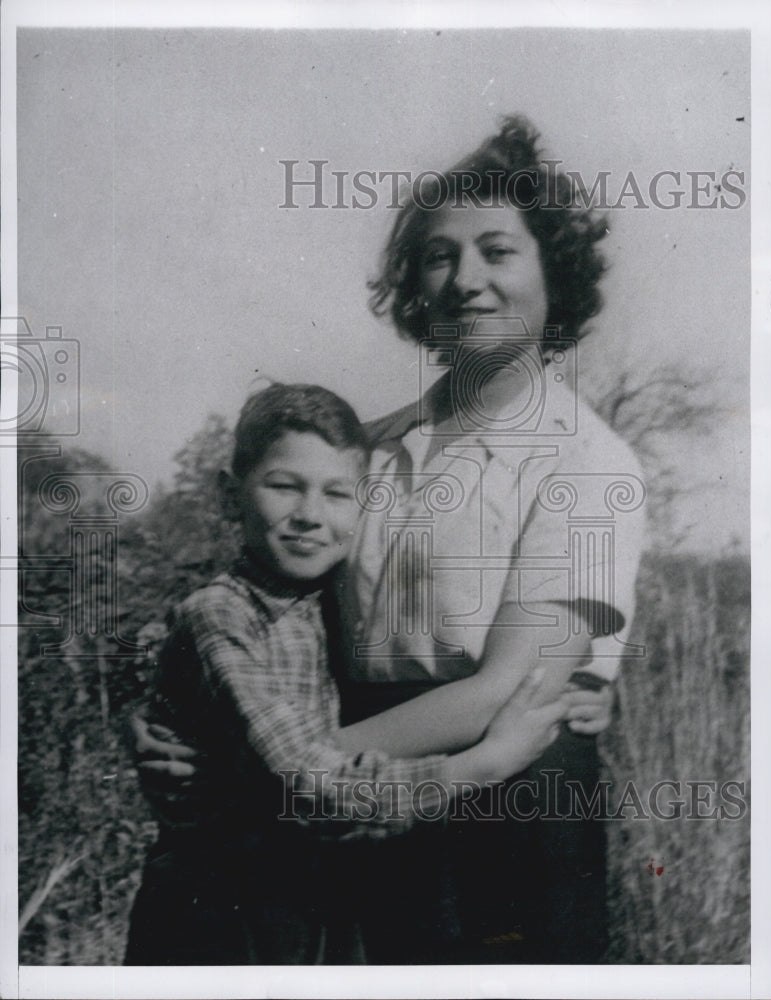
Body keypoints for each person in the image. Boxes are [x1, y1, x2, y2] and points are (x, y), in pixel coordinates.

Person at [132, 114, 645, 964]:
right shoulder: (365, 449)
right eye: (439, 256)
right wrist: (165, 722)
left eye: (497, 251)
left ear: (556, 271)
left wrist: (266, 769)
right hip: (350, 800)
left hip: (502, 795)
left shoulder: (593, 465)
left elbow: (506, 694)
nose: (465, 280)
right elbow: (254, 604)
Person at [125, 381, 600, 966]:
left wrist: (590, 692)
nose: (309, 516)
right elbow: (306, 783)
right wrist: (483, 764)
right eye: (283, 486)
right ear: (230, 496)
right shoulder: (222, 615)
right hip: (221, 911)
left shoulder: (327, 603)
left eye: (337, 494)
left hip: (310, 902)